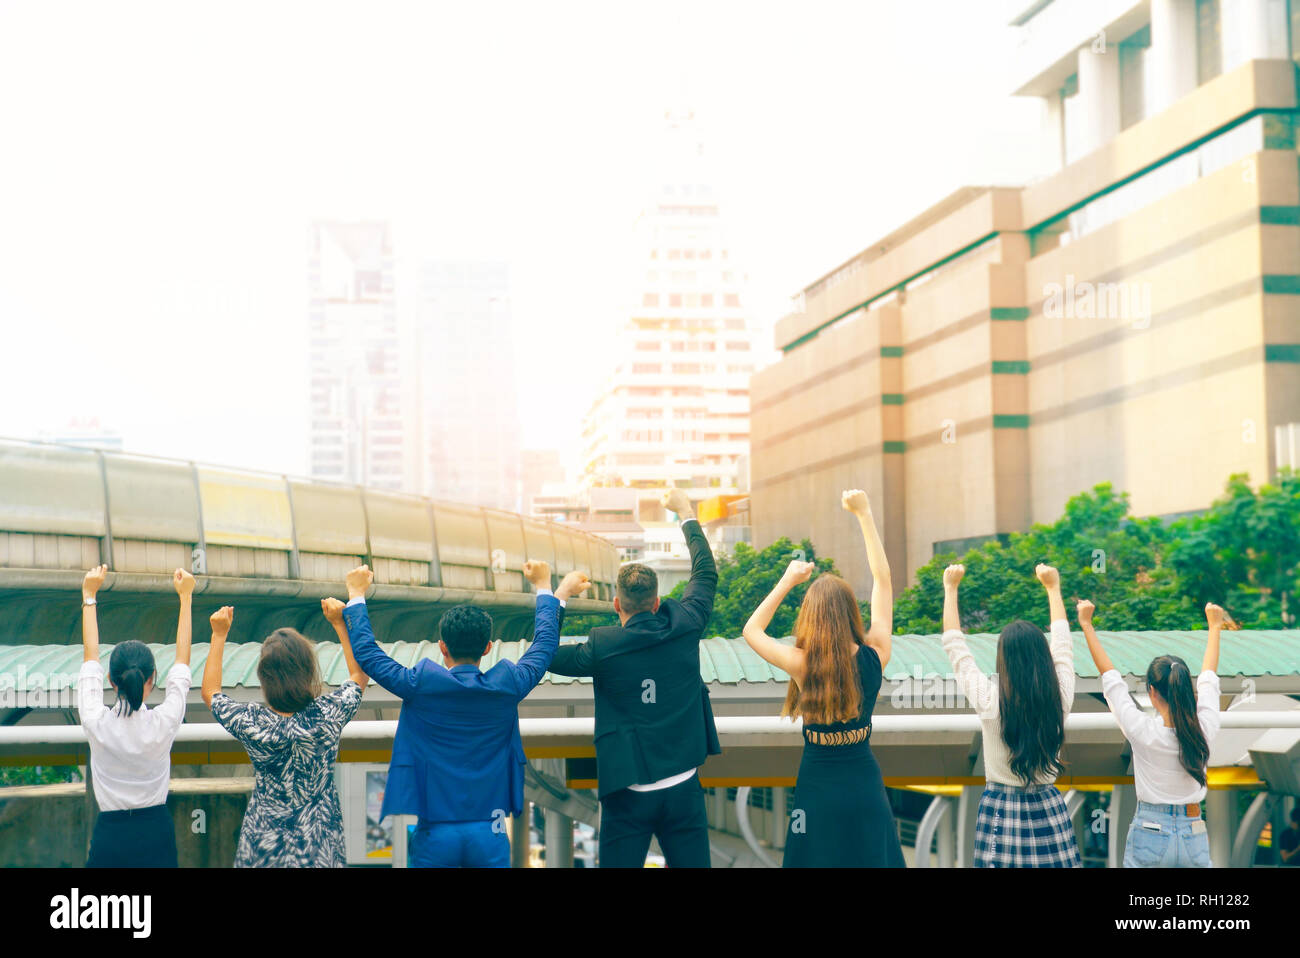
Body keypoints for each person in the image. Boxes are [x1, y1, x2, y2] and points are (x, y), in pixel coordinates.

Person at [341, 560, 588, 867]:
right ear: (487, 648)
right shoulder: (508, 685)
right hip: (491, 829)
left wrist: (356, 593)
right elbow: (545, 646)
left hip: (435, 832)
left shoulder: (419, 684)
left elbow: (368, 654)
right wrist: (547, 588)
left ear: (442, 647)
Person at [548, 488, 720, 868]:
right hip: (683, 784)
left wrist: (558, 594)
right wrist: (686, 513)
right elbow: (706, 573)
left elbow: (544, 653)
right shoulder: (686, 623)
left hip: (628, 790)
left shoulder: (602, 645)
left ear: (616, 605)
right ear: (657, 603)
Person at [742, 489, 906, 867]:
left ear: (811, 617)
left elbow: (752, 630)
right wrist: (864, 514)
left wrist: (787, 580)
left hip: (817, 788)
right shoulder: (875, 654)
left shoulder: (802, 664)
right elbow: (883, 581)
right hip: (865, 785)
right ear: (851, 611)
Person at [201, 598, 368, 867]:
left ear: (264, 677)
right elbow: (359, 676)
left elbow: (210, 692)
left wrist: (219, 635)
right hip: (319, 847)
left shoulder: (253, 722)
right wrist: (339, 622)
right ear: (308, 672)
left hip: (263, 848)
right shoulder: (327, 715)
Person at [942, 562, 1081, 867]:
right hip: (1049, 808)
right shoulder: (1058, 698)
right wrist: (1053, 588)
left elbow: (956, 649)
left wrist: (951, 589)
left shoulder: (991, 701)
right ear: (1042, 659)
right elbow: (1063, 646)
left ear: (1003, 659)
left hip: (1001, 812)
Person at [1078, 597, 1223, 868]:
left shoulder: (1142, 729)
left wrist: (1087, 624)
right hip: (1194, 831)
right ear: (1185, 689)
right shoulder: (1204, 728)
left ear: (1152, 693)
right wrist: (1214, 626)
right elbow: (1209, 679)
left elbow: (1110, 679)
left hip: (1150, 830)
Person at [78, 564, 194, 867]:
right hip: (156, 833)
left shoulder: (95, 721)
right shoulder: (164, 722)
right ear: (153, 678)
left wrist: (89, 594)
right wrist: (186, 598)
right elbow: (182, 662)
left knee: (105, 915)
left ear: (110, 680)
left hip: (110, 836)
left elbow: (90, 656)